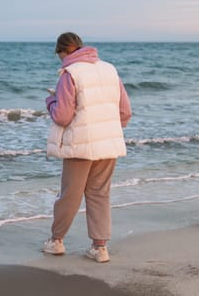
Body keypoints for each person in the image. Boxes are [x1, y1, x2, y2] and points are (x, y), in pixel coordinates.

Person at [43, 32, 132, 263]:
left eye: (59, 55)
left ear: (62, 51)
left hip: (79, 146)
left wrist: (51, 102)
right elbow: (125, 112)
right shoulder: (109, 69)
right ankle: (100, 248)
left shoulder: (69, 73)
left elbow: (62, 117)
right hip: (108, 143)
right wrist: (108, 128)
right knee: (99, 193)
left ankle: (56, 241)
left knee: (70, 195)